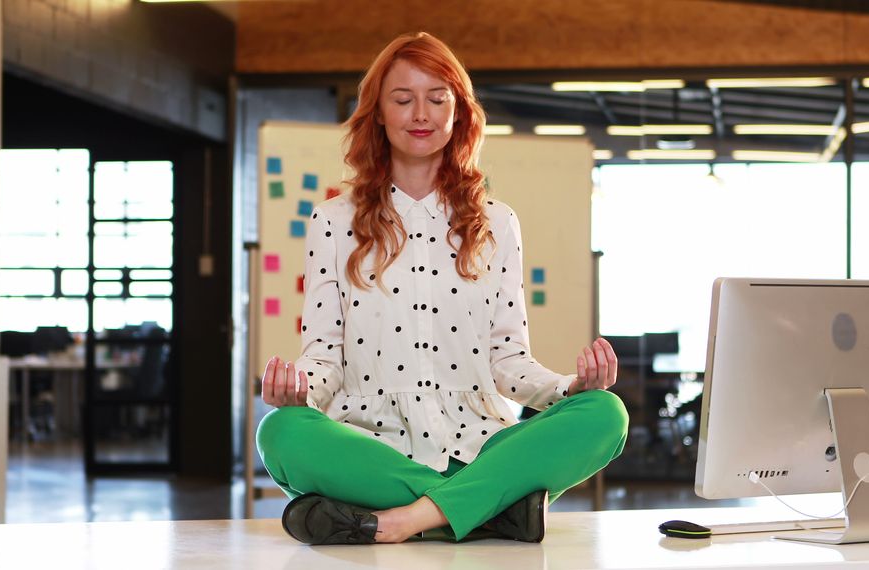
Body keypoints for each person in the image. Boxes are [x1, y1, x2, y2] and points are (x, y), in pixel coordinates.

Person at [256, 31, 628, 546]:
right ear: (378, 114)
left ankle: (401, 519)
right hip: (374, 446)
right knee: (280, 433)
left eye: (437, 98)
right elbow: (324, 358)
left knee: (605, 414)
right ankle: (490, 507)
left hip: (480, 443)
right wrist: (297, 391)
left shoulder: (498, 223)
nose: (420, 114)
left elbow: (508, 362)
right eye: (403, 99)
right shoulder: (332, 221)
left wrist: (570, 389)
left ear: (459, 112)